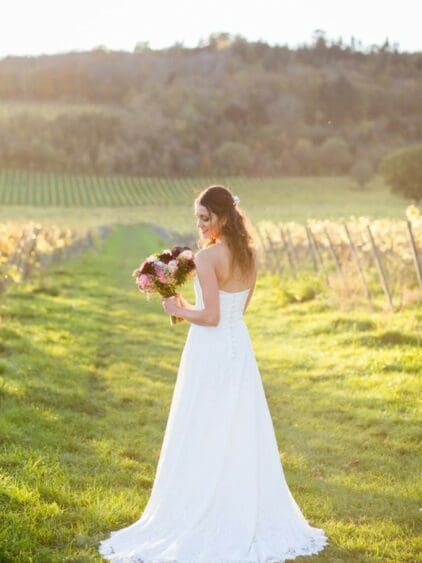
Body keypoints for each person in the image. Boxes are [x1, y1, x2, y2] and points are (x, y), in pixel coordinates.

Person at [98, 185, 329, 561]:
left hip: (209, 351)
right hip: (239, 350)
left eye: (205, 218)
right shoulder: (249, 255)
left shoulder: (207, 258)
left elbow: (210, 316)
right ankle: (239, 503)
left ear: (222, 217)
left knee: (202, 425)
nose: (200, 225)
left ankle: (204, 507)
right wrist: (188, 306)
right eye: (197, 218)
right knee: (237, 427)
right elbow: (236, 312)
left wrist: (176, 307)